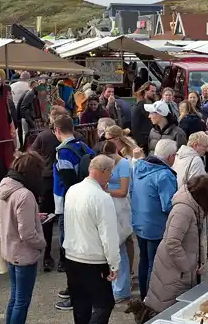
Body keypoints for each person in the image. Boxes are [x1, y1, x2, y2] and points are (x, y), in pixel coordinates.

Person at [63, 156, 119, 324]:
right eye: (110, 174)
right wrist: (114, 263)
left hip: (71, 255)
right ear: (103, 172)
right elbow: (109, 235)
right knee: (105, 303)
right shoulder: (103, 198)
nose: (110, 178)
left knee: (81, 303)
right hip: (94, 259)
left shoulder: (72, 190)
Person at [138, 175, 208, 318]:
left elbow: (195, 239)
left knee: (174, 304)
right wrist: (186, 268)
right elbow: (172, 242)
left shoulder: (193, 208)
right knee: (167, 306)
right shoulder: (183, 211)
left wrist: (200, 260)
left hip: (179, 267)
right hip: (174, 269)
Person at [0, 152, 46, 324]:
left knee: (15, 298)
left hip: (9, 250)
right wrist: (42, 244)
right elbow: (28, 234)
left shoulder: (5, 185)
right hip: (24, 253)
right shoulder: (25, 195)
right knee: (21, 301)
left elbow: (1, 215)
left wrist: (33, 217)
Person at [52, 115, 96, 310]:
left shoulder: (62, 153)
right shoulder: (83, 146)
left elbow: (67, 180)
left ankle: (75, 293)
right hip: (83, 201)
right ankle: (75, 289)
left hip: (67, 205)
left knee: (69, 250)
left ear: (57, 131)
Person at [131, 139, 179, 299]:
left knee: (143, 259)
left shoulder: (139, 167)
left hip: (139, 222)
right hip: (155, 226)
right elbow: (168, 205)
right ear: (170, 156)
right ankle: (151, 299)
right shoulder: (164, 175)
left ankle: (144, 295)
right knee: (155, 263)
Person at [27, 105, 69, 272]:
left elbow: (31, 154)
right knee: (64, 219)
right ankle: (63, 258)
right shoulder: (75, 136)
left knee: (47, 218)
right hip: (63, 181)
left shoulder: (43, 136)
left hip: (46, 180)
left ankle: (47, 257)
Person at [101, 136, 136, 303]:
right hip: (110, 205)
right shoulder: (111, 162)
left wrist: (105, 190)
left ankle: (121, 289)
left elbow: (123, 191)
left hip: (120, 206)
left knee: (120, 246)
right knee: (113, 247)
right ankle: (118, 287)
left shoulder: (123, 164)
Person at [129, 82, 156, 150]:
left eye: (155, 91)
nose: (154, 93)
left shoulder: (150, 103)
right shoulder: (141, 105)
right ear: (145, 91)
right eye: (152, 91)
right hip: (143, 141)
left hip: (148, 138)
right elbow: (135, 125)